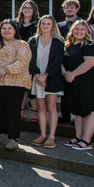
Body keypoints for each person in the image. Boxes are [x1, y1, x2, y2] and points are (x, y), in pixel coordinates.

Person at [0, 19, 32, 150]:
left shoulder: (22, 44)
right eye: (4, 28)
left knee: (13, 111)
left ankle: (13, 139)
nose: (6, 31)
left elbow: (22, 61)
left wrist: (5, 70)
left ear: (15, 30)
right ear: (0, 30)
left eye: (10, 28)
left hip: (14, 84)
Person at [62, 20, 94, 151]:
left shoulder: (91, 45)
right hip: (71, 82)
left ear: (87, 31)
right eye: (76, 29)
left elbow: (89, 63)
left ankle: (87, 140)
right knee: (76, 111)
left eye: (82, 29)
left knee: (88, 110)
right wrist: (65, 74)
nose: (79, 32)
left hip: (89, 83)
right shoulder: (67, 45)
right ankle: (78, 137)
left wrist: (72, 74)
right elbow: (61, 61)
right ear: (72, 30)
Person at [28, 16, 64, 149]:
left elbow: (58, 61)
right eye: (43, 23)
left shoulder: (58, 42)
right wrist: (37, 75)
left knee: (52, 107)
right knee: (41, 107)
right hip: (37, 77)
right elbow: (30, 60)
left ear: (52, 25)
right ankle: (43, 134)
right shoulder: (33, 41)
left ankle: (51, 136)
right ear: (39, 25)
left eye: (48, 24)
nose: (45, 26)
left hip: (52, 78)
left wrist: (46, 75)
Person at [15, 0, 41, 121]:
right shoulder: (16, 23)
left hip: (33, 57)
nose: (27, 10)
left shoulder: (38, 24)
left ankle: (35, 114)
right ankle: (19, 112)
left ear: (34, 10)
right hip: (18, 58)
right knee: (22, 88)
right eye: (25, 7)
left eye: (30, 8)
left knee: (31, 87)